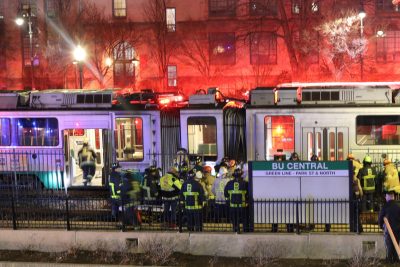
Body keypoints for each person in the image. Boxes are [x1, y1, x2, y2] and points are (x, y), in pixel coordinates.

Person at [224, 168, 249, 233]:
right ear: (241, 175)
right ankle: (245, 229)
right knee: (244, 218)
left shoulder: (229, 183)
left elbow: (226, 194)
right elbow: (248, 194)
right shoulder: (245, 183)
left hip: (232, 205)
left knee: (234, 218)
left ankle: (235, 229)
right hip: (242, 205)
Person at [378, 189, 400, 264]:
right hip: (398, 229)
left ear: (388, 197)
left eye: (386, 196)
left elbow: (380, 217)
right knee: (396, 243)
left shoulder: (385, 206)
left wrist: (381, 226)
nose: (385, 198)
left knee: (389, 244)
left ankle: (390, 260)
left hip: (388, 230)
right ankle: (396, 259)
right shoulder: (398, 206)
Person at [347, 154, 363, 233]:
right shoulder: (357, 179)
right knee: (356, 214)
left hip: (351, 197)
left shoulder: (348, 180)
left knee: (352, 214)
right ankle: (359, 229)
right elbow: (360, 189)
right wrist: (361, 195)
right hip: (357, 197)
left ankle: (353, 229)